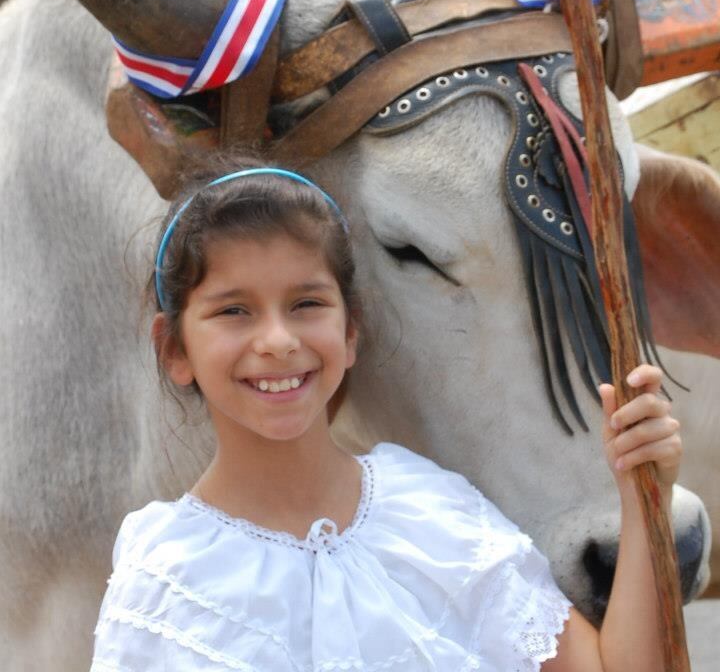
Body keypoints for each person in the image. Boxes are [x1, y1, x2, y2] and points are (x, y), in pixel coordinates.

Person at [90, 156, 682, 672]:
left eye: (306, 303)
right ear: (175, 349)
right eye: (233, 311)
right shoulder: (166, 584)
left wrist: (641, 494)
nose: (276, 339)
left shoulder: (433, 512)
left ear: (349, 332)